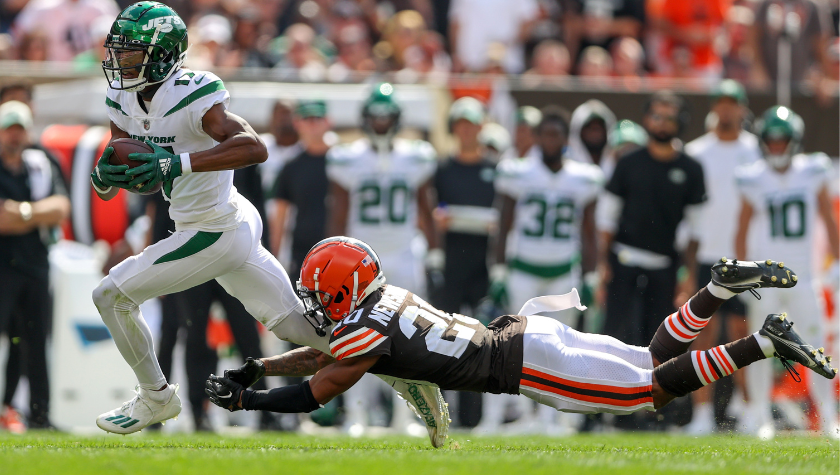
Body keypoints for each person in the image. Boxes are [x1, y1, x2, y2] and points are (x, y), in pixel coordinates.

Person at [88, 2, 449, 442]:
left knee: (110, 295)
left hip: (214, 226)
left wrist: (175, 165)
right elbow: (129, 172)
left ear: (162, 54)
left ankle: (156, 395)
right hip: (218, 224)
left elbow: (252, 147)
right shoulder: (122, 98)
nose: (118, 62)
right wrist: (106, 179)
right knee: (300, 327)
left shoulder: (192, 92)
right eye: (118, 51)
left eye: (130, 53)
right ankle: (409, 372)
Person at [204, 237, 836, 447]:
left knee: (646, 394)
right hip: (528, 330)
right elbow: (328, 356)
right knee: (648, 359)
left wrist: (247, 403)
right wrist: (256, 366)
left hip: (525, 365)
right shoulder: (383, 302)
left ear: (342, 289)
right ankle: (717, 293)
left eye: (318, 291)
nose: (312, 302)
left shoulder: (364, 330)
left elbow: (318, 391)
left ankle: (762, 343)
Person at [326, 82, 438, 434]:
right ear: (364, 119)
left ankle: (406, 416)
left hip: (404, 253)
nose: (380, 122)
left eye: (386, 116)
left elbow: (426, 209)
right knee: (355, 337)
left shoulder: (416, 156)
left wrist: (434, 255)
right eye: (375, 117)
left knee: (409, 337)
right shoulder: (347, 157)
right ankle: (358, 415)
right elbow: (339, 213)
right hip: (361, 260)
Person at [488, 107, 601, 433]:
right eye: (546, 134)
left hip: (564, 273)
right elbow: (503, 225)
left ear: (566, 139)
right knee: (519, 346)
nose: (551, 140)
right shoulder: (517, 172)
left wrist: (591, 275)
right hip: (523, 270)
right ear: (537, 138)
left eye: (557, 134)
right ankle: (525, 414)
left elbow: (589, 232)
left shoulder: (584, 177)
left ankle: (554, 416)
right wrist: (498, 271)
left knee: (561, 347)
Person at [734, 106, 840, 438]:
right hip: (765, 277)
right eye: (772, 141)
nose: (777, 146)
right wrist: (742, 273)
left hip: (805, 275)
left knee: (816, 346)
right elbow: (742, 229)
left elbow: (828, 217)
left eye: (782, 141)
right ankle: (760, 416)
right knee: (761, 345)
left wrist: (837, 261)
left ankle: (827, 417)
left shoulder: (814, 170)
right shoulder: (752, 176)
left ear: (793, 141)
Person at [597, 92, 706, 348]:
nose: (663, 123)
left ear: (682, 120)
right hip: (623, 264)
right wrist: (603, 263)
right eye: (657, 116)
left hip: (665, 269)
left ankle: (646, 390)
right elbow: (607, 217)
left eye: (670, 117)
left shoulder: (692, 169)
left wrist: (687, 272)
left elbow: (695, 228)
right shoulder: (627, 163)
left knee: (656, 345)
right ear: (646, 119)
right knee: (613, 339)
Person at [683, 80, 761, 435]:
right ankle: (702, 415)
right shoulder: (697, 151)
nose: (727, 110)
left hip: (747, 258)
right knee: (704, 334)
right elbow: (690, 213)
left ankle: (747, 409)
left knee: (743, 335)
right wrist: (688, 265)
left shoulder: (756, 151)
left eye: (733, 103)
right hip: (708, 256)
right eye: (722, 103)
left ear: (743, 108)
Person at [0, 100, 70, 429]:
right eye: (8, 129)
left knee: (36, 341)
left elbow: (60, 207)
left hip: (35, 264)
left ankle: (39, 415)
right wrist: (36, 213)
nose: (14, 136)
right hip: (2, 266)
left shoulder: (41, 163)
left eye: (19, 129)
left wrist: (21, 212)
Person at [431, 98, 497, 427]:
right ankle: (444, 412)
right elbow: (432, 210)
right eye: (461, 124)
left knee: (484, 338)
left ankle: (478, 417)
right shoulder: (443, 168)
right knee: (445, 337)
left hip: (482, 264)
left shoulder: (496, 169)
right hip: (452, 262)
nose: (467, 130)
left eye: (472, 124)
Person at [271, 100, 332, 281]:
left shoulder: (343, 162)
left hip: (341, 246)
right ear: (297, 123)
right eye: (307, 118)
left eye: (318, 118)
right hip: (304, 250)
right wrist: (273, 255)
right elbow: (281, 212)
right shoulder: (291, 166)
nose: (313, 124)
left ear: (328, 121)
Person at [567, 99, 617, 179]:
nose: (595, 134)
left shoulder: (617, 163)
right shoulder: (566, 163)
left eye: (598, 129)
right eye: (590, 129)